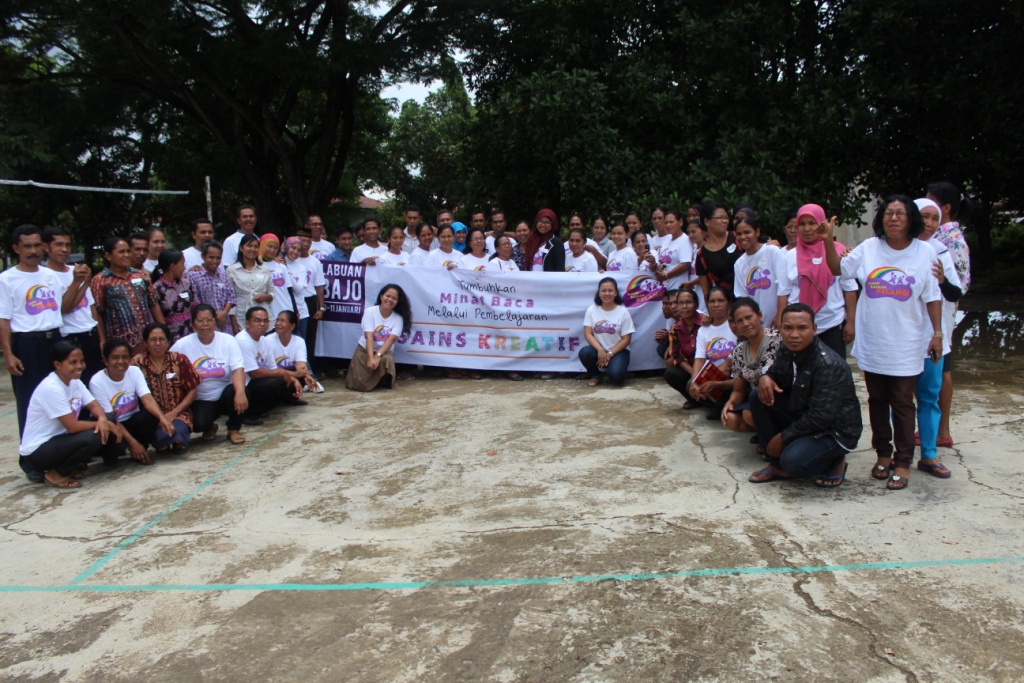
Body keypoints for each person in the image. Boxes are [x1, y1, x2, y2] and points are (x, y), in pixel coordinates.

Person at [822, 195, 942, 491]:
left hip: (908, 340)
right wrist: (828, 240)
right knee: (876, 400)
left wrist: (937, 333)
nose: (894, 218)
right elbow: (839, 269)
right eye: (888, 213)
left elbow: (932, 295)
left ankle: (903, 461)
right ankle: (883, 454)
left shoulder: (924, 252)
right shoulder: (869, 248)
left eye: (901, 213)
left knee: (902, 401)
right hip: (874, 339)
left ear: (910, 218)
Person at [747, 303, 861, 487]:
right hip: (804, 414)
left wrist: (784, 437)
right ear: (780, 329)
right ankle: (776, 465)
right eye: (788, 328)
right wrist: (765, 377)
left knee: (793, 462)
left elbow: (821, 418)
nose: (794, 334)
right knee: (756, 396)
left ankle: (835, 461)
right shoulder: (787, 349)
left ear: (814, 329)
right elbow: (775, 374)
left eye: (802, 328)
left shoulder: (828, 364)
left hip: (834, 431)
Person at [2, 225, 68, 482]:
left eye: (37, 245)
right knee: (30, 403)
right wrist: (9, 354)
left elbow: (64, 308)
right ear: (16, 249)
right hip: (27, 345)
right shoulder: (7, 279)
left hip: (55, 342)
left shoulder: (50, 275)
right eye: (26, 246)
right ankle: (31, 462)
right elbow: (4, 319)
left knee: (61, 400)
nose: (33, 251)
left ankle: (61, 457)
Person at [18, 340, 123, 488]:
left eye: (81, 361)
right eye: (73, 362)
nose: (79, 366)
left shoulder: (75, 381)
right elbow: (72, 426)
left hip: (60, 440)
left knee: (107, 418)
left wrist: (102, 419)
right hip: (38, 451)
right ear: (58, 365)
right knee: (94, 435)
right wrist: (105, 424)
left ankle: (72, 466)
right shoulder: (51, 387)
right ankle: (56, 473)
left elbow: (94, 405)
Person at [912, 197, 962, 478]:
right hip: (903, 338)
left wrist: (942, 281)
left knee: (929, 397)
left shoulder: (940, 251)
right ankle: (902, 452)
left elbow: (955, 293)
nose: (929, 224)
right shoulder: (893, 249)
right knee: (901, 399)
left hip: (933, 339)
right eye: (924, 217)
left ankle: (929, 454)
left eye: (934, 218)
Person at [775, 204, 858, 358]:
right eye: (802, 224)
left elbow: (849, 288)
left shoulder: (838, 251)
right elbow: (783, 291)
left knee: (832, 373)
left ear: (822, 223)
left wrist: (851, 322)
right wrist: (781, 321)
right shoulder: (787, 256)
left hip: (831, 323)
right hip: (797, 326)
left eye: (812, 223)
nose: (807, 229)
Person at [926, 181, 973, 448]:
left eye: (934, 209)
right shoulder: (932, 238)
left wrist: (942, 284)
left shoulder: (951, 241)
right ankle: (934, 427)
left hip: (942, 315)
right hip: (928, 315)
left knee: (942, 368)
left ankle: (942, 431)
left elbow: (960, 286)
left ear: (945, 208)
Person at [169, 305, 249, 445]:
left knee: (239, 389)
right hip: (200, 398)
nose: (205, 324)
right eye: (200, 320)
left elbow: (238, 369)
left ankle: (234, 429)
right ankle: (210, 426)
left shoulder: (228, 340)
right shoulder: (181, 345)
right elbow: (166, 363)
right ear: (193, 323)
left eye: (209, 320)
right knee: (199, 424)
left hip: (225, 393)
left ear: (215, 321)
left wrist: (240, 393)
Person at [89, 338, 175, 465]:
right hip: (114, 425)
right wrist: (133, 443)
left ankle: (141, 451)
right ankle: (116, 454)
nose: (121, 362)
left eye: (125, 357)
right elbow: (109, 417)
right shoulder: (97, 382)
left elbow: (147, 399)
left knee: (150, 415)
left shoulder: (134, 371)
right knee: (117, 444)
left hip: (132, 421)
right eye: (115, 357)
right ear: (106, 360)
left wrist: (162, 418)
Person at [43, 227, 102, 386]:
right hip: (70, 338)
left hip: (91, 335)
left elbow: (92, 308)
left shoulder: (75, 270)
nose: (64, 249)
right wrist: (78, 282)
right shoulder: (45, 275)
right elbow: (64, 309)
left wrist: (101, 338)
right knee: (75, 386)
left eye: (68, 245)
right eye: (59, 245)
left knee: (95, 383)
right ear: (46, 247)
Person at [91, 236, 165, 356]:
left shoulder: (140, 275)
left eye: (128, 251)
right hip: (120, 343)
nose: (127, 255)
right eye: (121, 252)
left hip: (148, 339)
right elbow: (98, 313)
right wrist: (102, 341)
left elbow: (153, 304)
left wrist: (163, 331)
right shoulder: (100, 280)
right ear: (108, 256)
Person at [131, 322, 199, 454]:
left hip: (179, 413)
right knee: (162, 443)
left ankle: (177, 441)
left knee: (177, 435)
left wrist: (174, 413)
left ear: (168, 342)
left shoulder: (179, 360)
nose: (158, 343)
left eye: (162, 339)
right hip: (152, 417)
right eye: (153, 339)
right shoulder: (138, 365)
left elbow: (193, 391)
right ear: (145, 343)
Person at [721, 298, 782, 437]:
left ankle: (776, 438)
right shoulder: (738, 351)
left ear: (760, 316)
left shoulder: (778, 340)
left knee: (749, 414)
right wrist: (730, 403)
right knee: (729, 418)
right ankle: (766, 433)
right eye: (740, 321)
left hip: (780, 398)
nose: (746, 324)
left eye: (749, 317)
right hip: (757, 401)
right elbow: (739, 390)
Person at [234, 306, 306, 416]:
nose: (262, 324)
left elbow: (272, 367)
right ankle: (249, 413)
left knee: (290, 382)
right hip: (242, 385)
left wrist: (293, 379)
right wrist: (282, 373)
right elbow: (254, 373)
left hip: (256, 382)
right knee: (276, 383)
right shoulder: (243, 340)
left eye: (265, 320)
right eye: (257, 320)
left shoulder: (263, 340)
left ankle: (262, 408)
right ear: (247, 323)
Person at [345, 284, 411, 392]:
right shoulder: (370, 311)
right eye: (387, 296)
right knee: (359, 385)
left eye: (394, 298)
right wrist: (371, 358)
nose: (390, 300)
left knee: (387, 359)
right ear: (381, 296)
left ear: (397, 302)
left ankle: (381, 380)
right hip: (365, 350)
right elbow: (369, 337)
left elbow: (391, 340)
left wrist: (378, 356)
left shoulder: (398, 318)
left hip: (384, 352)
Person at [688, 286, 737, 419]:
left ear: (729, 302)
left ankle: (723, 406)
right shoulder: (704, 329)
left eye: (721, 300)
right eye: (712, 301)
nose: (716, 305)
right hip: (711, 374)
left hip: (732, 376)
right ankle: (713, 405)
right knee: (691, 384)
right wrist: (694, 381)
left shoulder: (735, 325)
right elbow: (699, 359)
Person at [580, 278, 635, 386]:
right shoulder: (592, 310)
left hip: (619, 351)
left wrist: (609, 354)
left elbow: (626, 339)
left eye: (610, 290)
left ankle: (618, 369)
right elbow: (588, 334)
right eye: (603, 290)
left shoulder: (623, 312)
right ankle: (596, 376)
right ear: (599, 293)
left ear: (616, 293)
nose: (607, 293)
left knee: (617, 377)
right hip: (598, 350)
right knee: (584, 353)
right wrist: (600, 350)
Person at [733, 214, 784, 329]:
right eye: (739, 234)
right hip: (758, 327)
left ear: (757, 232)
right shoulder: (739, 264)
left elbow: (783, 286)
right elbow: (743, 298)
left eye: (747, 232)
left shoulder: (772, 251)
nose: (743, 237)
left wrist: (779, 316)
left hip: (779, 323)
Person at [664, 288, 705, 409]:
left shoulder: (706, 322)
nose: (684, 306)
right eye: (681, 303)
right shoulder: (675, 328)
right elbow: (677, 356)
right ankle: (694, 399)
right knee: (670, 373)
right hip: (691, 369)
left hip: (709, 368)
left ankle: (714, 405)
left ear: (696, 304)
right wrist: (694, 374)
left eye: (689, 302)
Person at [225, 233, 274, 334]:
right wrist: (234, 325)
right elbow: (230, 298)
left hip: (263, 318)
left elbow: (272, 293)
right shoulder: (232, 270)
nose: (252, 249)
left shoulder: (264, 269)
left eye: (256, 246)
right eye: (249, 245)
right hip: (242, 317)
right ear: (241, 248)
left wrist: (265, 297)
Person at [266, 310, 323, 393]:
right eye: (277, 320)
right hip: (275, 375)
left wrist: (306, 376)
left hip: (289, 374)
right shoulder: (268, 340)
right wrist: (295, 374)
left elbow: (301, 366)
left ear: (292, 326)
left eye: (282, 321)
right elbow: (271, 368)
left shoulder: (299, 341)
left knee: (302, 380)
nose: (278, 323)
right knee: (277, 382)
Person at [695, 201, 742, 302]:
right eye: (720, 217)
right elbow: (707, 293)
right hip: (728, 307)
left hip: (752, 297)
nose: (724, 221)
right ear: (707, 221)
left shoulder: (738, 237)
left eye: (726, 217)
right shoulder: (701, 256)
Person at [187, 240, 236, 334]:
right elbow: (194, 301)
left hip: (224, 324)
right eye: (211, 257)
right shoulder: (194, 275)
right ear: (203, 256)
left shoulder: (222, 276)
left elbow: (231, 297)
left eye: (218, 258)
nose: (215, 261)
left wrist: (224, 313)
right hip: (204, 325)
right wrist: (213, 317)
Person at [296, 227, 327, 374]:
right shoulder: (287, 260)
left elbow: (319, 286)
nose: (305, 244)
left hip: (309, 300)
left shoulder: (315, 262)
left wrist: (321, 308)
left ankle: (309, 370)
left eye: (308, 241)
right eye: (302, 240)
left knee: (309, 338)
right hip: (293, 301)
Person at [150, 248, 194, 345]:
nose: (184, 268)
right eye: (182, 264)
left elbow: (195, 305)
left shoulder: (186, 284)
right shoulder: (156, 289)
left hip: (191, 334)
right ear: (172, 266)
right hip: (171, 337)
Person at [260, 234, 300, 322]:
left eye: (275, 248)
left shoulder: (281, 267)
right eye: (269, 246)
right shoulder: (257, 267)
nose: (272, 250)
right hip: (268, 312)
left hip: (286, 308)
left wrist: (295, 311)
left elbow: (289, 290)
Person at [282, 236, 313, 338]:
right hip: (284, 311)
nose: (295, 252)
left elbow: (298, 289)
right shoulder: (278, 264)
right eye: (293, 248)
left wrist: (286, 271)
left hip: (301, 311)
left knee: (300, 342)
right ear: (287, 247)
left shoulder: (301, 268)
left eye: (299, 250)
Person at [656, 209, 693, 288]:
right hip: (666, 287)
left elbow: (685, 264)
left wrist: (666, 276)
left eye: (671, 222)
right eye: (666, 223)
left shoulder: (685, 240)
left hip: (677, 287)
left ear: (680, 222)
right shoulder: (667, 240)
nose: (668, 225)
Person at [222, 205, 257, 270]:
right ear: (239, 220)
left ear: (255, 219)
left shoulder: (259, 239)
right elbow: (226, 267)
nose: (248, 219)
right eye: (245, 217)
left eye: (251, 216)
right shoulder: (230, 241)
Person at [685, 217, 707, 313]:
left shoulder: (707, 250)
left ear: (703, 231)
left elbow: (707, 275)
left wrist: (691, 283)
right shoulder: (693, 250)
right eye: (689, 232)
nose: (691, 235)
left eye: (694, 231)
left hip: (704, 292)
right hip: (695, 292)